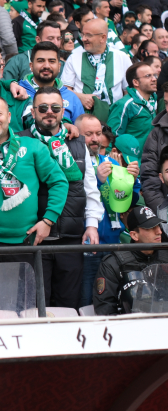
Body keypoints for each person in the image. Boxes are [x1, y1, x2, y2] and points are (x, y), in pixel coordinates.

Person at [18, 86, 102, 308]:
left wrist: (92, 225)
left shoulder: (78, 142)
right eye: (43, 107)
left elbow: (90, 188)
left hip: (70, 238)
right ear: (33, 111)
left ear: (63, 111)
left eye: (55, 107)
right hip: (34, 237)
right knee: (35, 307)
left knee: (68, 306)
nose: (49, 112)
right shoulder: (18, 141)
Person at [0, 95, 68, 265]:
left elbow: (58, 182)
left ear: (9, 116)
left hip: (25, 241)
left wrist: (48, 221)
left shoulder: (33, 147)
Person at [76, 115, 141, 307]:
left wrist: (132, 182)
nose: (95, 138)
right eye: (88, 134)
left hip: (113, 242)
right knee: (87, 300)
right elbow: (74, 199)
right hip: (87, 244)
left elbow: (128, 202)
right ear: (77, 135)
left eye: (98, 133)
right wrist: (97, 180)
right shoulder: (73, 162)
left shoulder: (110, 162)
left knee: (111, 300)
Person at [93, 206, 166, 315]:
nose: (159, 231)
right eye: (150, 228)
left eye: (158, 226)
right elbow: (105, 309)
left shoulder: (166, 257)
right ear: (134, 235)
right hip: (127, 323)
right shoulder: (113, 263)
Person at [61, 18, 131, 123]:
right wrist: (81, 97)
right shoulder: (74, 57)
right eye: (82, 34)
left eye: (88, 35)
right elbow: (64, 89)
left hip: (114, 119)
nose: (83, 39)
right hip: (82, 118)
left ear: (103, 37)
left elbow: (128, 92)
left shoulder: (122, 57)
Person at [108, 61, 158, 151]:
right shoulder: (124, 104)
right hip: (131, 158)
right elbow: (111, 137)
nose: (154, 79)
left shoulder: (152, 102)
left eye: (154, 75)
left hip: (150, 158)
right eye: (148, 76)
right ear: (136, 82)